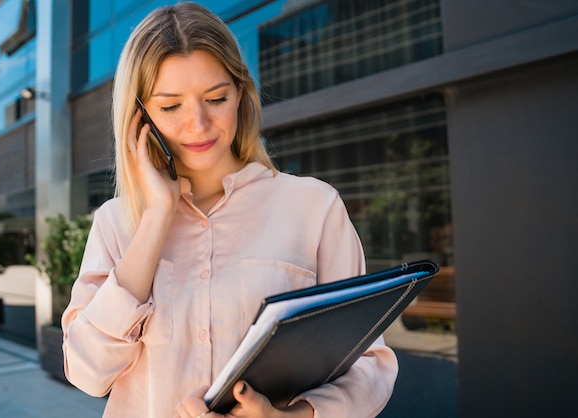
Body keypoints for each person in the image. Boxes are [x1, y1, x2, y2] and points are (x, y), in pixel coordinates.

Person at [61, 3, 398, 418]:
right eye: (170, 107)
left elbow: (368, 363)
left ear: (241, 93)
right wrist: (156, 217)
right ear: (139, 117)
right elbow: (86, 372)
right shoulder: (116, 224)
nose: (198, 124)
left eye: (215, 98)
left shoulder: (313, 207)